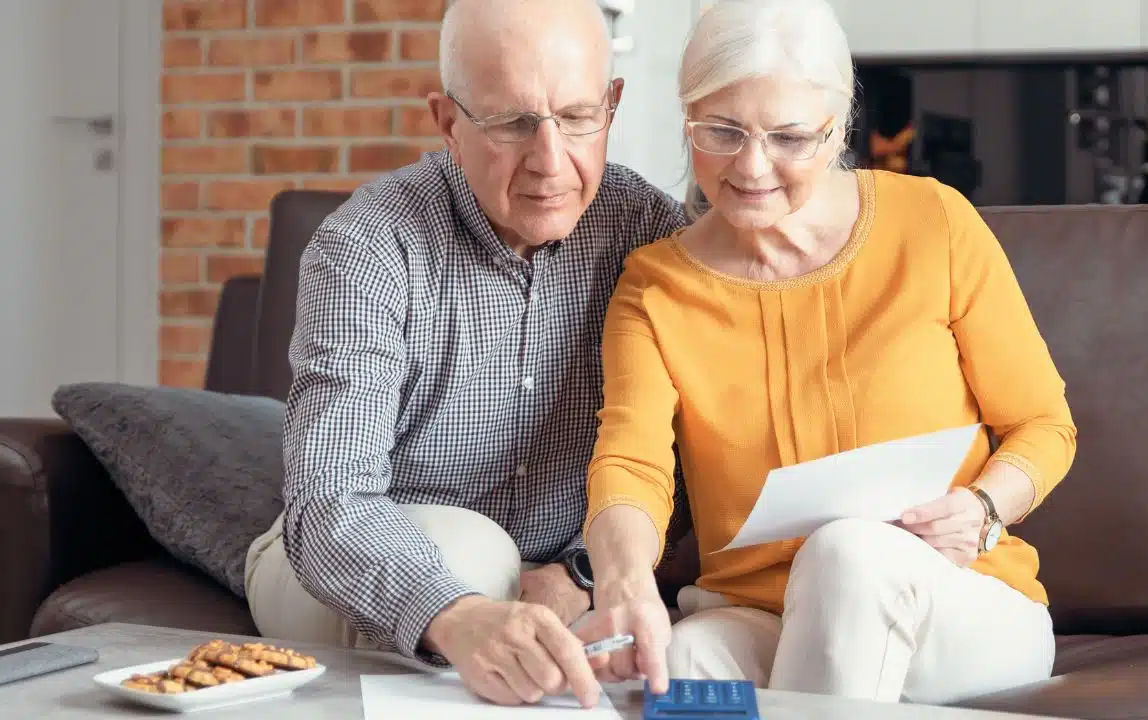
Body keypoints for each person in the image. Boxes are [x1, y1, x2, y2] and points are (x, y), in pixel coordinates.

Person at [577, 0, 1077, 706]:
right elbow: (631, 466)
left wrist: (985, 507)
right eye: (721, 131)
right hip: (757, 616)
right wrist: (625, 587)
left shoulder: (933, 223)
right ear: (687, 119)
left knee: (848, 555)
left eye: (788, 137)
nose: (751, 167)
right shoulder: (656, 287)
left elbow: (1044, 425)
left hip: (959, 604)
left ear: (837, 128)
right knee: (683, 655)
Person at [242, 0, 689, 709]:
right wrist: (461, 612)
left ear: (613, 104)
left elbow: (688, 471)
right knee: (473, 555)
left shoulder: (655, 235)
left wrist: (577, 572)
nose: (551, 162)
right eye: (513, 123)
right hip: (353, 562)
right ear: (447, 122)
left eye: (577, 117)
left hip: (559, 576)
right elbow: (331, 504)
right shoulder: (364, 248)